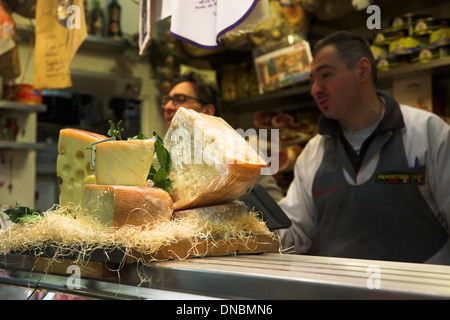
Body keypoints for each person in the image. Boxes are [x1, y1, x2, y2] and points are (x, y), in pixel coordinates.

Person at [278, 31, 450, 264]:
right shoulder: (313, 152)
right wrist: (241, 228)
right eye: (312, 80)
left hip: (423, 293)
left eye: (326, 75)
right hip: (339, 293)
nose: (315, 89)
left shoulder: (428, 132)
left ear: (362, 70)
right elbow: (294, 232)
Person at [162, 71, 284, 202]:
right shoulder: (161, 154)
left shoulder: (238, 151)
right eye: (167, 100)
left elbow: (275, 206)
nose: (168, 107)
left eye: (180, 99)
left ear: (208, 110)